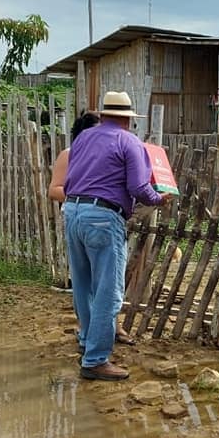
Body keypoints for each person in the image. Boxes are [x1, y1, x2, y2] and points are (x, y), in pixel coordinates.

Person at [63, 90, 173, 381]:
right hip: (102, 215)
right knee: (108, 291)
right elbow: (138, 187)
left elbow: (73, 175)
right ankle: (95, 359)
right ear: (128, 119)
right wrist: (158, 199)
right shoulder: (129, 141)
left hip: (72, 210)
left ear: (103, 115)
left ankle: (87, 340)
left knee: (83, 284)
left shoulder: (83, 138)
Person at [48, 110, 137, 346]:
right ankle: (93, 345)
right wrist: (87, 196)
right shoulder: (70, 154)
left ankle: (106, 331)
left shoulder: (108, 152)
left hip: (99, 216)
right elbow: (54, 189)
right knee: (95, 282)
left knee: (105, 280)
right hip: (89, 216)